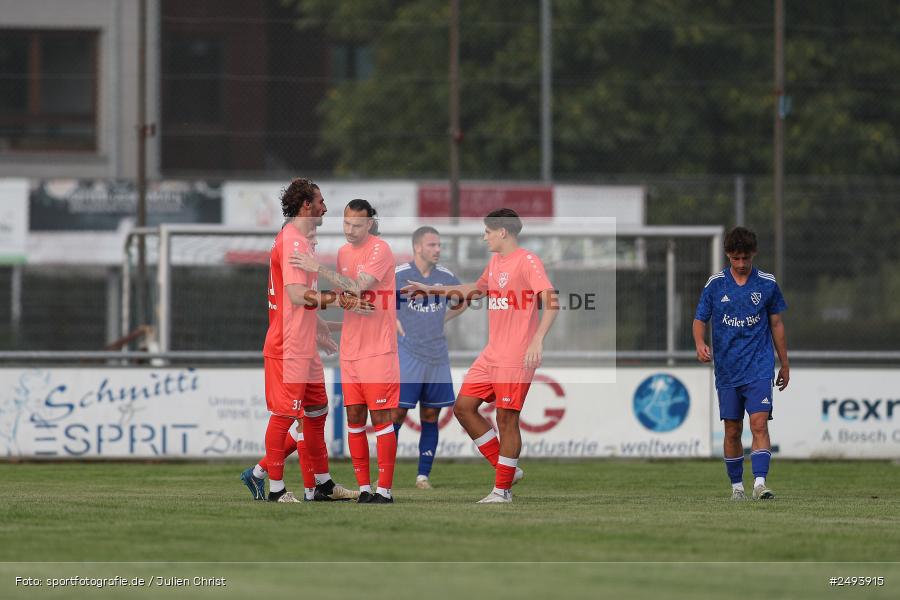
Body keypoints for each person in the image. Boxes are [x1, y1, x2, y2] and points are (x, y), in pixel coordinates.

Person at [403, 208, 558, 504]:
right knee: (463, 408)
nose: (484, 236)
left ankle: (502, 491)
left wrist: (537, 340)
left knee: (506, 419)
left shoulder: (527, 261)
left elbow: (551, 301)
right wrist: (432, 290)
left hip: (516, 354)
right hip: (492, 354)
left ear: (502, 232)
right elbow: (475, 290)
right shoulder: (496, 260)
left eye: (487, 231)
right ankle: (506, 471)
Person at [240, 178, 360, 503]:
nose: (325, 207)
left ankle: (320, 485)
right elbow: (294, 295)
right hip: (288, 346)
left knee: (316, 412)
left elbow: (292, 298)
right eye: (320, 201)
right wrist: (336, 298)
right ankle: (276, 489)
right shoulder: (293, 241)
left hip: (304, 346)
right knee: (284, 416)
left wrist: (318, 323)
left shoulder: (302, 241)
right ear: (306, 205)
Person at [291, 199, 400, 504]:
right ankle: (365, 489)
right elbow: (349, 298)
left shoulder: (381, 249)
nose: (350, 230)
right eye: (346, 224)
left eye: (357, 224)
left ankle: (385, 491)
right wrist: (329, 325)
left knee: (381, 419)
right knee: (354, 419)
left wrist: (318, 269)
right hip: (350, 351)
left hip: (378, 351)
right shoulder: (342, 253)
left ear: (370, 224)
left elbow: (357, 286)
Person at [692, 226, 789, 501]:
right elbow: (700, 319)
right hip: (727, 369)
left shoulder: (767, 284)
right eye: (736, 259)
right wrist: (700, 343)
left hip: (759, 366)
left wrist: (785, 363)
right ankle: (737, 488)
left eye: (746, 258)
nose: (742, 264)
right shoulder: (715, 285)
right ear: (728, 256)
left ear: (754, 254)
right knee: (732, 430)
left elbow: (777, 324)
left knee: (759, 424)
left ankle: (760, 484)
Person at [393, 226, 466, 489]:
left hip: (437, 354)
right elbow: (378, 301)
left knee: (431, 415)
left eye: (439, 245)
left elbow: (464, 299)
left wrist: (445, 317)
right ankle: (384, 474)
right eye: (432, 245)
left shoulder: (445, 276)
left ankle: (423, 476)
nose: (437, 249)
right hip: (408, 353)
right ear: (417, 247)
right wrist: (393, 320)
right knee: (397, 413)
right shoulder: (400, 274)